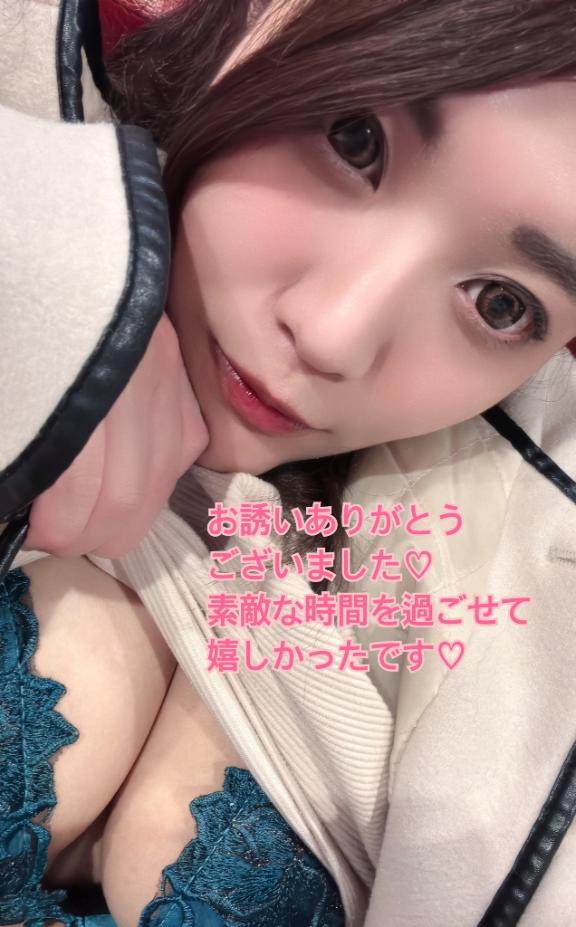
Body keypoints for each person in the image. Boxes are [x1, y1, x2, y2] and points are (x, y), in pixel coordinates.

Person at [3, 0, 576, 925]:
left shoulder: (492, 546)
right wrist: (70, 281)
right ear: (266, 22)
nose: (331, 335)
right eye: (355, 139)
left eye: (501, 305)